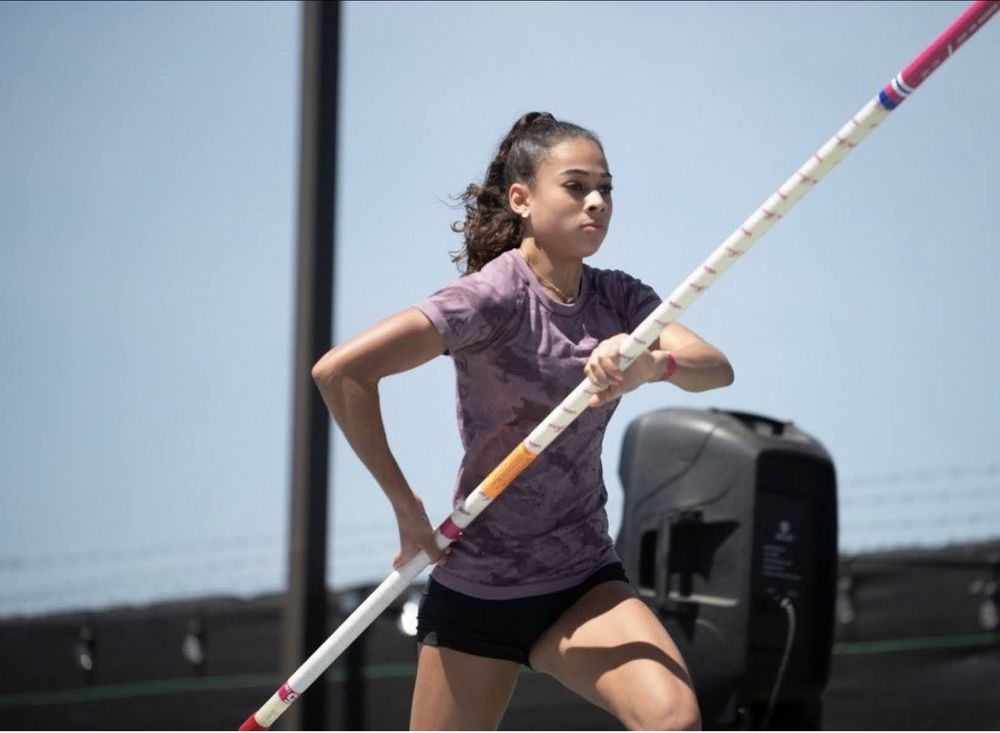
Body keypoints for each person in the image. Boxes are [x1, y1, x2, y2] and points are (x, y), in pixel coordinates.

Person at [311, 112, 734, 731]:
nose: (597, 202)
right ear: (522, 199)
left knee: (674, 720)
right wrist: (405, 506)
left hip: (580, 579)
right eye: (576, 185)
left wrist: (650, 364)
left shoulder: (620, 299)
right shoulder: (491, 298)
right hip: (477, 591)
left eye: (606, 188)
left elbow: (713, 367)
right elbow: (341, 373)